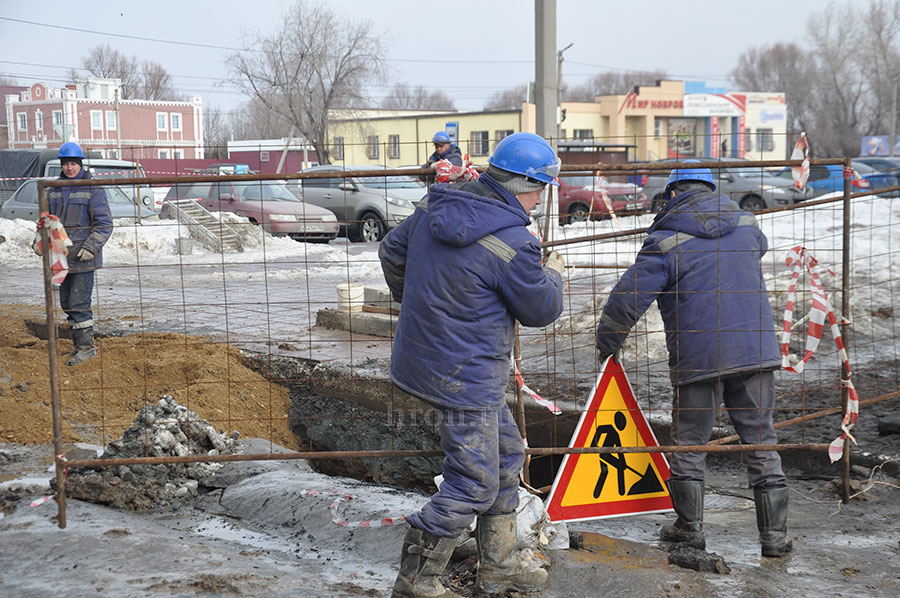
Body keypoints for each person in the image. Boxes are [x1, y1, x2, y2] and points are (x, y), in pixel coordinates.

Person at [380, 132, 566, 597]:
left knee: (506, 457)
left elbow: (391, 252)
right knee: (474, 483)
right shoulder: (512, 240)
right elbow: (540, 310)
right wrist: (555, 274)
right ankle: (415, 582)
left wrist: (422, 306)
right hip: (467, 376)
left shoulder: (433, 207)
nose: (541, 198)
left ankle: (499, 568)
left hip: (427, 358)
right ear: (529, 184)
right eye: (542, 187)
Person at [594, 160, 792, 558]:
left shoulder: (666, 239)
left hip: (698, 358)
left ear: (672, 194)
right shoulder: (748, 226)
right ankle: (774, 539)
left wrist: (607, 342)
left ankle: (690, 529)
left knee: (689, 444)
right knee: (761, 442)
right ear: (710, 189)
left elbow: (629, 296)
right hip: (756, 352)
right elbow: (755, 250)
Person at [36, 142, 112, 366]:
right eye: (66, 164)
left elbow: (104, 224)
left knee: (79, 302)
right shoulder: (53, 188)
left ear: (80, 164)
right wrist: (38, 240)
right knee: (67, 302)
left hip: (83, 256)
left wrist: (91, 247)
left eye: (73, 164)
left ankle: (86, 348)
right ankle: (79, 345)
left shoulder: (92, 188)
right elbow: (45, 220)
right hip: (60, 257)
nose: (69, 168)